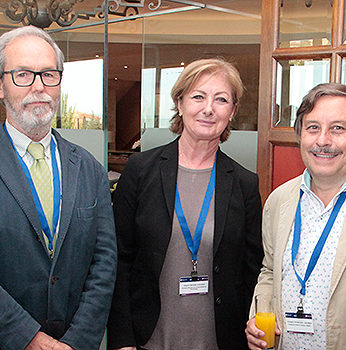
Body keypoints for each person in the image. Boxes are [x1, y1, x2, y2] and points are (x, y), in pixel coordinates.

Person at [0, 26, 117, 350]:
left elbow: (104, 263)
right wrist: (29, 339)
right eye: (23, 75)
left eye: (49, 74)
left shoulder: (90, 169)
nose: (39, 87)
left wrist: (77, 342)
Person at [107, 58, 263, 350]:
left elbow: (253, 272)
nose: (208, 108)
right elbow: (119, 260)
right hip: (148, 340)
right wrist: (122, 339)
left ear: (232, 112)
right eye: (198, 96)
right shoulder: (141, 171)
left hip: (219, 342)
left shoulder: (244, 184)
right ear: (180, 103)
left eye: (221, 99)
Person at [245, 83, 346, 350]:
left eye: (338, 128)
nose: (323, 140)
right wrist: (259, 314)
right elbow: (268, 271)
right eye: (313, 128)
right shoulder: (279, 200)